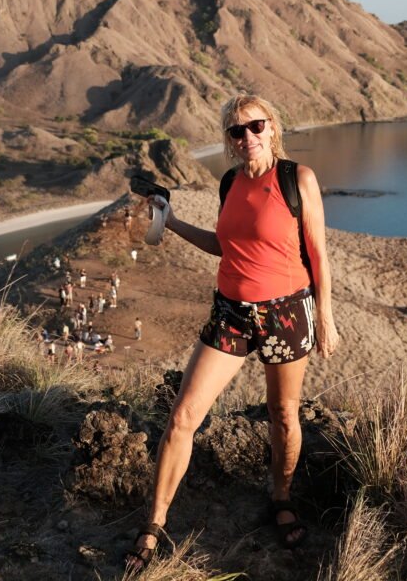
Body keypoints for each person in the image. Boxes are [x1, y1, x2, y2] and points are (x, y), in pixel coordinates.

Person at [124, 93, 339, 574]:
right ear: (229, 140)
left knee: (283, 412)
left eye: (255, 127)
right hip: (232, 313)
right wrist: (172, 221)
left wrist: (325, 315)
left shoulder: (296, 179)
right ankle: (154, 524)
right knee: (183, 416)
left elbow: (318, 254)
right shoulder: (229, 183)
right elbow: (224, 246)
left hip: (286, 312)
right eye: (236, 131)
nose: (247, 138)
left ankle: (281, 497)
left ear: (272, 127)